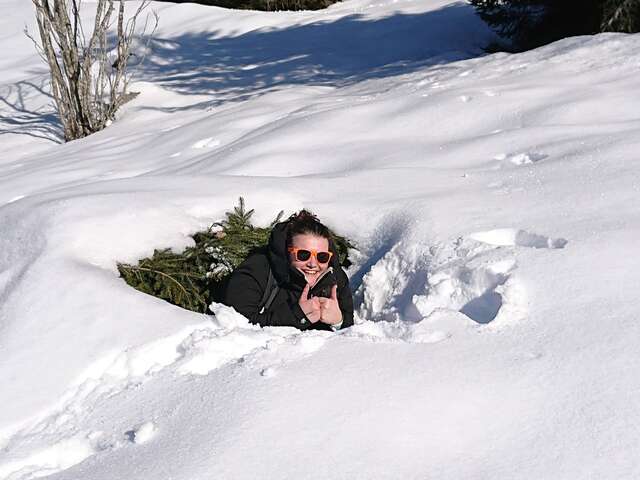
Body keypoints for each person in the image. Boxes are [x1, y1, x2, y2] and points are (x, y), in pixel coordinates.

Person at [224, 210, 354, 331]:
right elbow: (236, 326)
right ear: (287, 252)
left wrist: (339, 321)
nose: (313, 264)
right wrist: (297, 315)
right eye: (303, 255)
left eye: (322, 256)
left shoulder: (334, 278)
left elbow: (350, 331)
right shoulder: (257, 270)